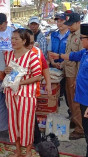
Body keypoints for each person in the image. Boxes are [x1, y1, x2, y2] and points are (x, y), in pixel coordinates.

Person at [49, 23, 88, 157]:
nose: (81, 40)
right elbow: (73, 56)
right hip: (82, 97)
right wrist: (57, 55)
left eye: (83, 38)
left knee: (87, 129)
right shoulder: (85, 51)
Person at [4, 29, 42, 157]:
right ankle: (18, 150)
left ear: (24, 41)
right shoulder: (8, 55)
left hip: (26, 95)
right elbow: (6, 72)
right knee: (13, 122)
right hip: (10, 93)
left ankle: (28, 151)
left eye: (16, 39)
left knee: (26, 123)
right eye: (12, 38)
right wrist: (6, 70)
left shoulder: (31, 55)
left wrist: (20, 83)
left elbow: (38, 76)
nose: (13, 41)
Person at [26, 29, 52, 148]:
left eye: (32, 42)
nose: (31, 45)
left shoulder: (37, 51)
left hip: (33, 90)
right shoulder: (14, 52)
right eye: (29, 42)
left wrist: (48, 83)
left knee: (31, 115)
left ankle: (35, 140)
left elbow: (45, 67)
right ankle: (29, 139)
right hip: (19, 90)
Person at [63, 12, 84, 140]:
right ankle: (75, 120)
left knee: (76, 103)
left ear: (78, 23)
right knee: (70, 101)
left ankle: (80, 129)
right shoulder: (71, 35)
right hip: (68, 72)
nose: (69, 26)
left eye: (71, 24)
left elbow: (81, 59)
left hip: (75, 75)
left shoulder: (81, 37)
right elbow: (68, 53)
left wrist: (78, 78)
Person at [48, 13, 70, 112]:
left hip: (66, 66)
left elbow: (71, 53)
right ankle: (54, 109)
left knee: (67, 91)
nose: (59, 23)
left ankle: (71, 113)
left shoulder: (70, 35)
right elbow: (49, 50)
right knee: (53, 90)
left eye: (61, 21)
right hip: (54, 66)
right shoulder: (53, 34)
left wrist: (63, 64)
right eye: (58, 21)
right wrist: (52, 62)